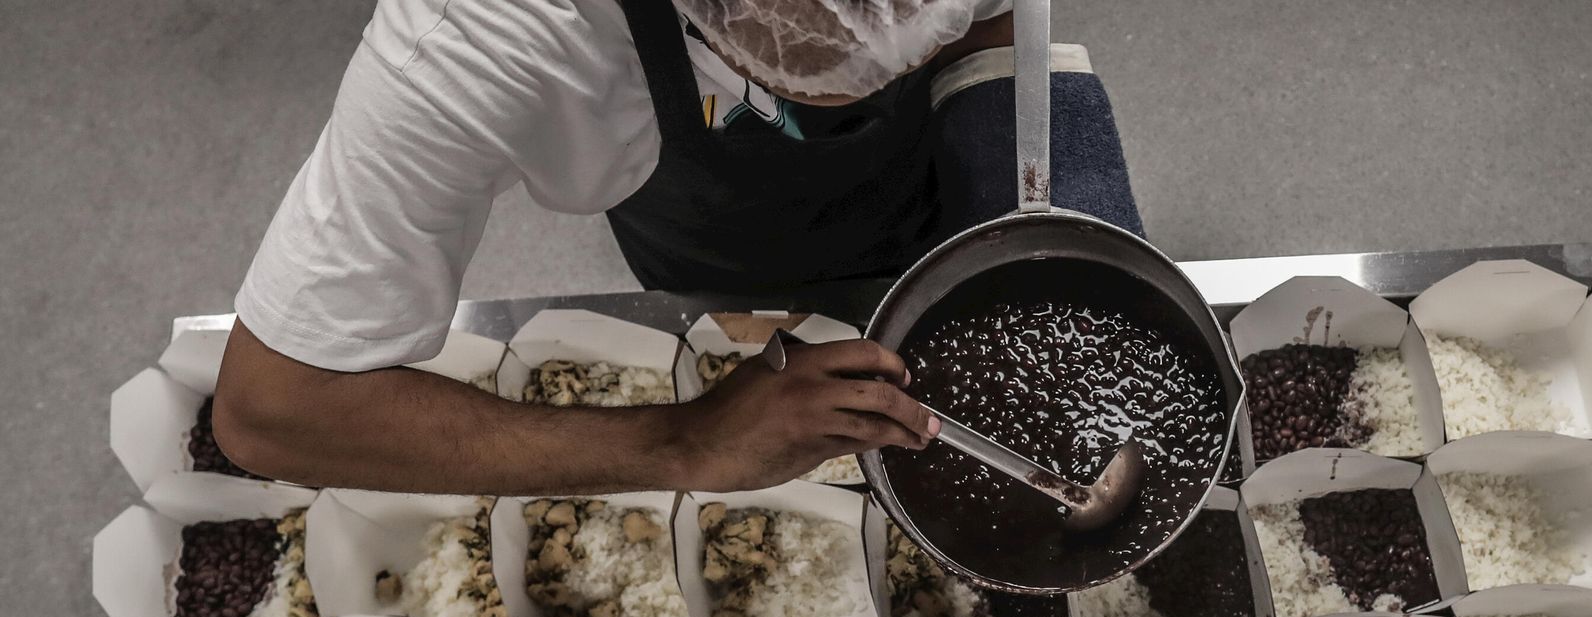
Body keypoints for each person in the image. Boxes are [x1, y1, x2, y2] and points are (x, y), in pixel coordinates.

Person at [215, 0, 1024, 495]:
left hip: (919, 187)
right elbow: (271, 407)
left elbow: (989, 28)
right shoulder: (487, 30)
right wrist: (685, 443)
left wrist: (1021, 219)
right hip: (718, 244)